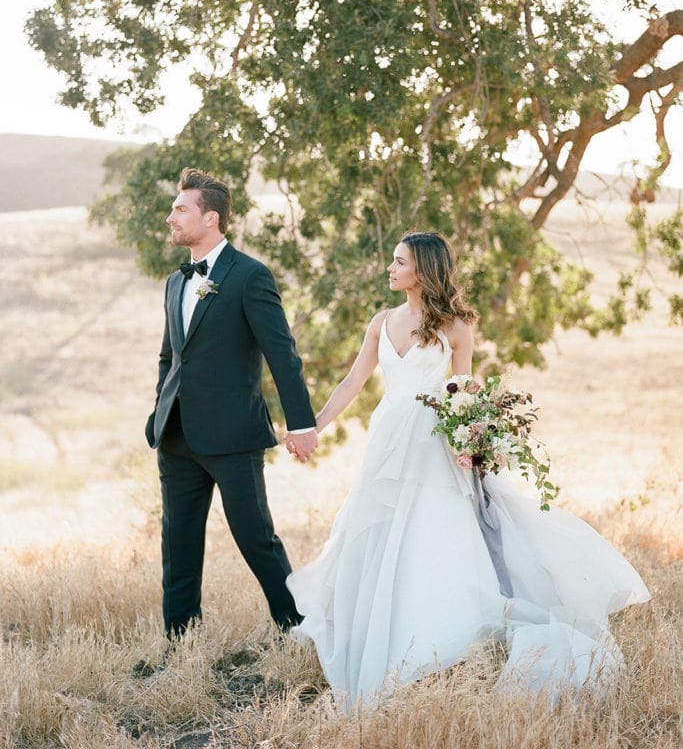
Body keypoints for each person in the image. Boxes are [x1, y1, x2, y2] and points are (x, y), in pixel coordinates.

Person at [287, 231, 650, 711]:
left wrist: (473, 444)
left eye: (399, 262)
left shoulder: (456, 328)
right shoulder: (381, 322)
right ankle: (380, 621)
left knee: (433, 533)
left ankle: (436, 630)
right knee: (376, 527)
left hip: (434, 443)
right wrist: (312, 427)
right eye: (393, 261)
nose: (390, 269)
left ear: (423, 271)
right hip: (388, 440)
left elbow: (465, 394)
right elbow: (354, 382)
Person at [145, 167, 318, 640]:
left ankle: (299, 631)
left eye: (181, 209)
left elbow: (282, 356)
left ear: (212, 218)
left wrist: (301, 424)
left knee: (256, 540)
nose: (170, 218)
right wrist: (157, 413)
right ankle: (180, 646)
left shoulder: (249, 276)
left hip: (233, 436)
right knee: (177, 545)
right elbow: (170, 356)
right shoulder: (175, 282)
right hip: (176, 435)